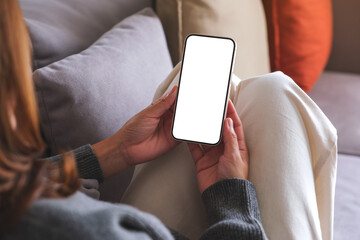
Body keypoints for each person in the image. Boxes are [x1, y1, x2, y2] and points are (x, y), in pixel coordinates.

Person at [0, 1, 268, 239]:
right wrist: (232, 199)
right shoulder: (88, 229)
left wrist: (116, 150)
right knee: (273, 94)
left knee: (269, 92)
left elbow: (21, 184)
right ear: (13, 104)